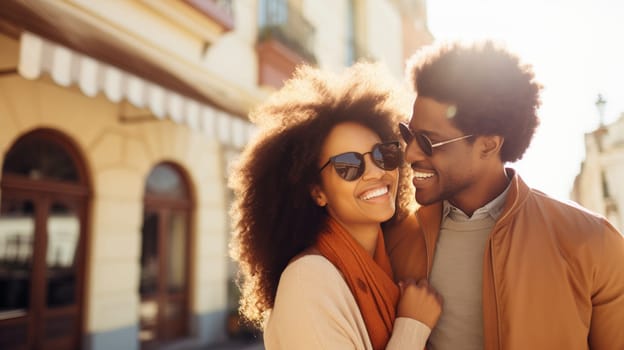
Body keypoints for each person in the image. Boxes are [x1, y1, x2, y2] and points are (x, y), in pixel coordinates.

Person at [385, 40, 624, 350]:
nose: (411, 154)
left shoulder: (591, 242)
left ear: (488, 144)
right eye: (408, 134)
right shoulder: (396, 241)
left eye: (429, 142)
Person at [229, 62, 443, 349]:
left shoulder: (391, 262)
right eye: (348, 165)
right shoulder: (308, 279)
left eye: (382, 155)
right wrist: (412, 326)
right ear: (318, 192)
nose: (375, 172)